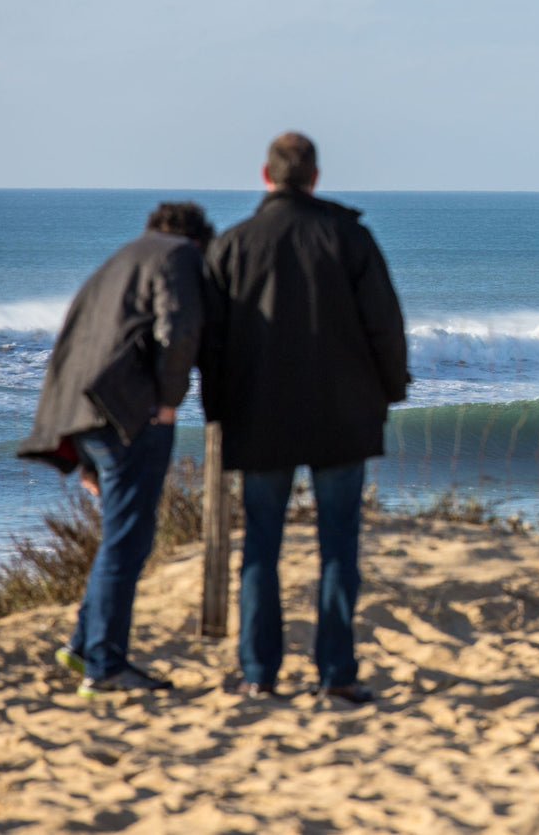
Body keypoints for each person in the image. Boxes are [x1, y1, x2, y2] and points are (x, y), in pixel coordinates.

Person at [202, 132, 408, 703]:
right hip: (341, 416)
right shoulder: (349, 237)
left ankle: (257, 673)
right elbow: (385, 328)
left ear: (265, 176)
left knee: (261, 543)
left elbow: (210, 343)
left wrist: (219, 411)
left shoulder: (233, 245)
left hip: (258, 415)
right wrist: (389, 393)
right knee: (339, 544)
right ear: (315, 178)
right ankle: (336, 674)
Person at [18, 201, 213, 697]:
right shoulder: (179, 257)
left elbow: (72, 348)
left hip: (82, 415)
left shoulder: (117, 262)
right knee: (129, 538)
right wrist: (169, 402)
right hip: (128, 418)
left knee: (121, 535)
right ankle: (105, 666)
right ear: (196, 240)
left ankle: (85, 644)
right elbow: (180, 328)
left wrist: (75, 447)